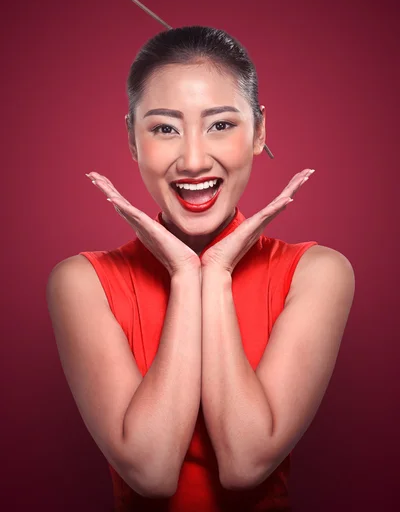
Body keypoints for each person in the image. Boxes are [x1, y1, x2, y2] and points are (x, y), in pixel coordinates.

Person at [46, 26, 355, 511]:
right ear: (132, 138)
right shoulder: (83, 283)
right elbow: (150, 472)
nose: (192, 160)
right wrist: (186, 277)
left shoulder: (317, 273)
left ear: (260, 132)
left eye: (221, 124)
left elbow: (245, 463)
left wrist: (216, 274)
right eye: (165, 128)